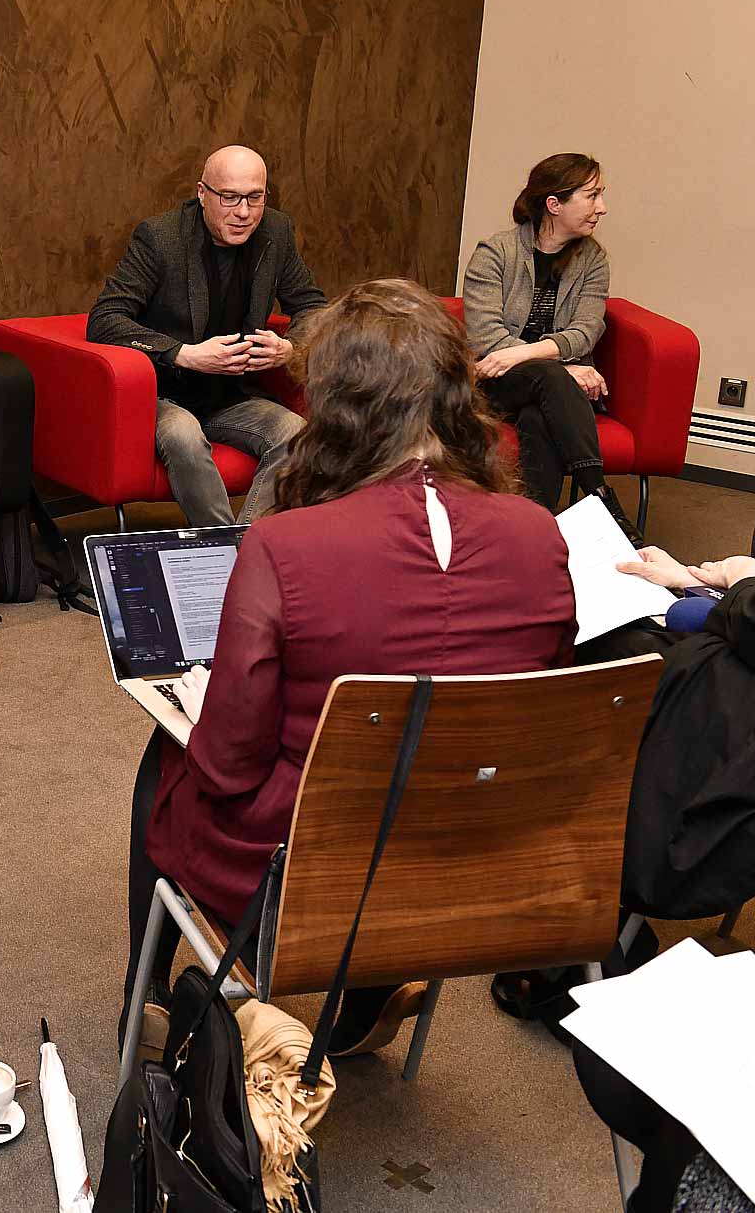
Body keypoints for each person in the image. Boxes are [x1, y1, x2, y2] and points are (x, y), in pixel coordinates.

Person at [123, 279, 577, 1056]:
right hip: (475, 862)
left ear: (337, 409)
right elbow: (532, 708)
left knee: (166, 754)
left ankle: (149, 994)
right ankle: (369, 990)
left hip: (307, 875)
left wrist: (196, 708)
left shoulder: (284, 546)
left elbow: (229, 767)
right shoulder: (541, 533)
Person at [86, 144, 326, 526]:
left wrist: (291, 348)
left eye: (255, 198)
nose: (243, 212)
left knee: (296, 434)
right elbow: (105, 319)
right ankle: (222, 547)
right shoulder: (161, 238)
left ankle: (246, 546)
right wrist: (183, 353)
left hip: (230, 394)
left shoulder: (276, 231)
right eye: (229, 197)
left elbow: (313, 307)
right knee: (184, 436)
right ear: (202, 193)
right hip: (164, 393)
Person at [463, 152, 639, 538]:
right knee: (547, 378)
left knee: (537, 418)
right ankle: (600, 499)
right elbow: (486, 337)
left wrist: (528, 352)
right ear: (554, 205)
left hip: (556, 391)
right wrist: (563, 368)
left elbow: (586, 331)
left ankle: (534, 530)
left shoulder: (592, 260)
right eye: (592, 196)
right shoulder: (495, 254)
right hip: (498, 384)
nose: (602, 208)